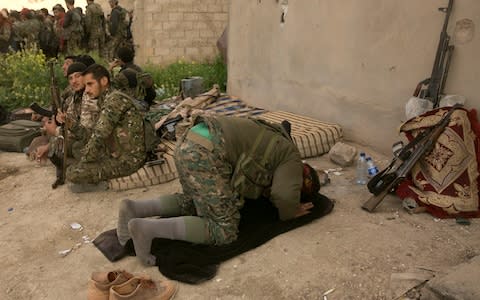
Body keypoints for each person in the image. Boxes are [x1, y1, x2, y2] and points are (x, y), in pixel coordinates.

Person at [116, 116, 319, 265]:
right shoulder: (291, 156)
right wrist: (291, 211)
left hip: (189, 142)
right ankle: (148, 230)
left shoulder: (270, 135)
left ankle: (135, 208)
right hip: (205, 154)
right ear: (304, 174)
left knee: (193, 201)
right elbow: (283, 196)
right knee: (224, 229)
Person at [66, 64, 145, 192]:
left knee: (73, 172)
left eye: (90, 84)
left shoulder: (114, 100)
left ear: (103, 81)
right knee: (77, 152)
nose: (86, 90)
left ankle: (102, 184)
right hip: (114, 152)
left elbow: (99, 135)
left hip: (128, 160)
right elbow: (93, 134)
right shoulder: (105, 99)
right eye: (86, 85)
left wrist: (84, 162)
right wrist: (70, 124)